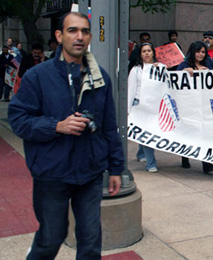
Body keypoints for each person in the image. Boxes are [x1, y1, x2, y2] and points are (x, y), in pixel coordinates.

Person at [8, 12, 124, 259]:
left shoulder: (100, 77)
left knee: (91, 241)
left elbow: (109, 126)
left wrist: (116, 168)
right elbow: (18, 119)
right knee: (51, 238)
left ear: (91, 36)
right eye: (72, 30)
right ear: (60, 36)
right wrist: (56, 126)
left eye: (84, 31)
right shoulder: (37, 76)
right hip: (51, 174)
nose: (79, 37)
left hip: (90, 173)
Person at [177, 41, 213, 174]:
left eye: (203, 52)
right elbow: (176, 79)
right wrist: (184, 72)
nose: (200, 54)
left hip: (204, 104)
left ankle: (206, 163)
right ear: (192, 52)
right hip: (189, 105)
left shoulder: (208, 65)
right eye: (198, 51)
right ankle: (185, 157)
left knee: (204, 133)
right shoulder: (184, 65)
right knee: (188, 131)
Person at [128, 42, 161, 173]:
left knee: (146, 132)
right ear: (140, 54)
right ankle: (151, 163)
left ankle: (141, 154)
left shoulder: (160, 67)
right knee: (147, 134)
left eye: (149, 50)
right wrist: (128, 109)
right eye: (144, 51)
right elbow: (131, 90)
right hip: (139, 104)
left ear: (153, 52)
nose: (147, 53)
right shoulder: (136, 70)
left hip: (154, 104)